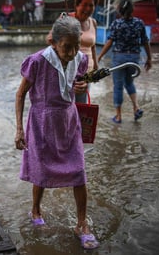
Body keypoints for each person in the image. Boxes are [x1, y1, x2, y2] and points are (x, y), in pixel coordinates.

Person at [15, 14, 99, 250]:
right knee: (41, 171)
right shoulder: (37, 61)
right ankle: (35, 209)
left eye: (75, 46)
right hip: (42, 122)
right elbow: (20, 94)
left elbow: (78, 82)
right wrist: (19, 129)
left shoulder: (81, 59)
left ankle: (82, 224)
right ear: (53, 42)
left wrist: (83, 84)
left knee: (79, 171)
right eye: (66, 47)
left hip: (69, 121)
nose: (72, 52)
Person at [97, 0, 152, 124]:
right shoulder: (139, 23)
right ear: (132, 10)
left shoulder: (116, 24)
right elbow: (145, 42)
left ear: (120, 10)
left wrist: (99, 56)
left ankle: (118, 116)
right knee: (129, 82)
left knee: (118, 86)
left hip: (119, 58)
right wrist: (149, 58)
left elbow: (110, 42)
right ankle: (136, 108)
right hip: (134, 58)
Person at [70, 0, 99, 103]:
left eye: (91, 5)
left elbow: (93, 46)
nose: (88, 9)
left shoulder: (93, 22)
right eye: (84, 5)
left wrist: (96, 65)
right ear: (77, 5)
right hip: (70, 72)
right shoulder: (67, 19)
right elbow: (51, 41)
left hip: (88, 73)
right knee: (67, 106)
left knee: (81, 106)